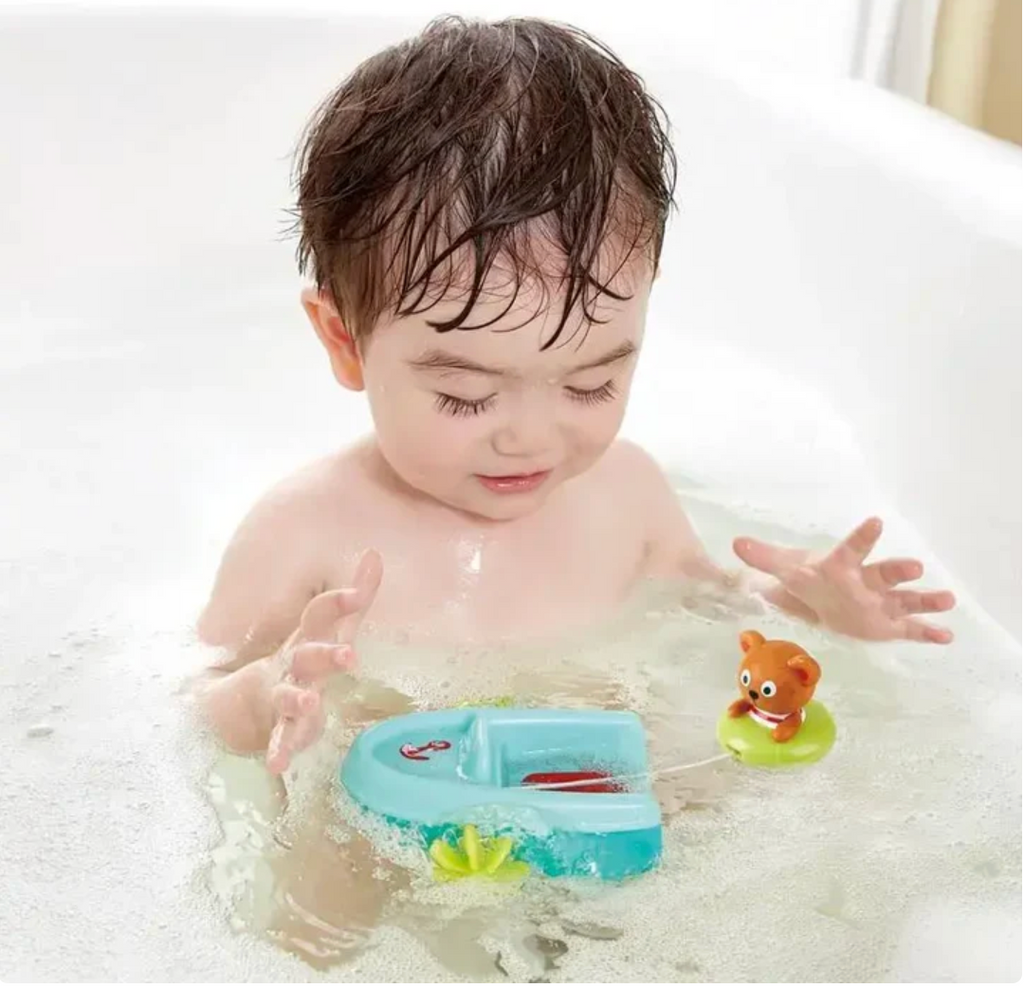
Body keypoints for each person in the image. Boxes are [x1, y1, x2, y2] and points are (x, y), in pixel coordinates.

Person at [195, 16, 955, 776]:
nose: (532, 439)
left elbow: (716, 604)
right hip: (393, 813)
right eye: (465, 395)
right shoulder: (300, 532)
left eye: (593, 383)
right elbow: (191, 702)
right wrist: (266, 698)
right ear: (343, 340)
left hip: (601, 801)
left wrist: (819, 611)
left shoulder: (626, 493)